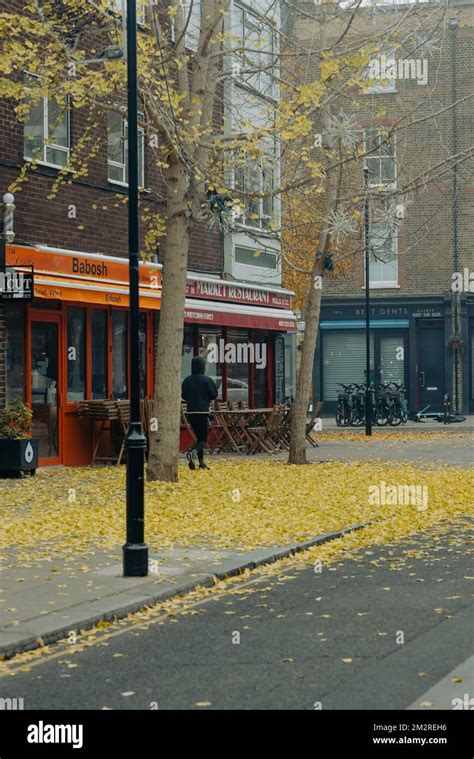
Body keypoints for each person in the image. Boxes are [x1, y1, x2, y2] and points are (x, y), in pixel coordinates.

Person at [181, 356, 218, 470]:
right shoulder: (207, 380)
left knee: (199, 438)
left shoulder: (187, 380)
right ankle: (193, 453)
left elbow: (184, 396)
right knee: (203, 439)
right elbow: (214, 395)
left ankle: (201, 463)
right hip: (202, 413)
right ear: (202, 366)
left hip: (191, 414)